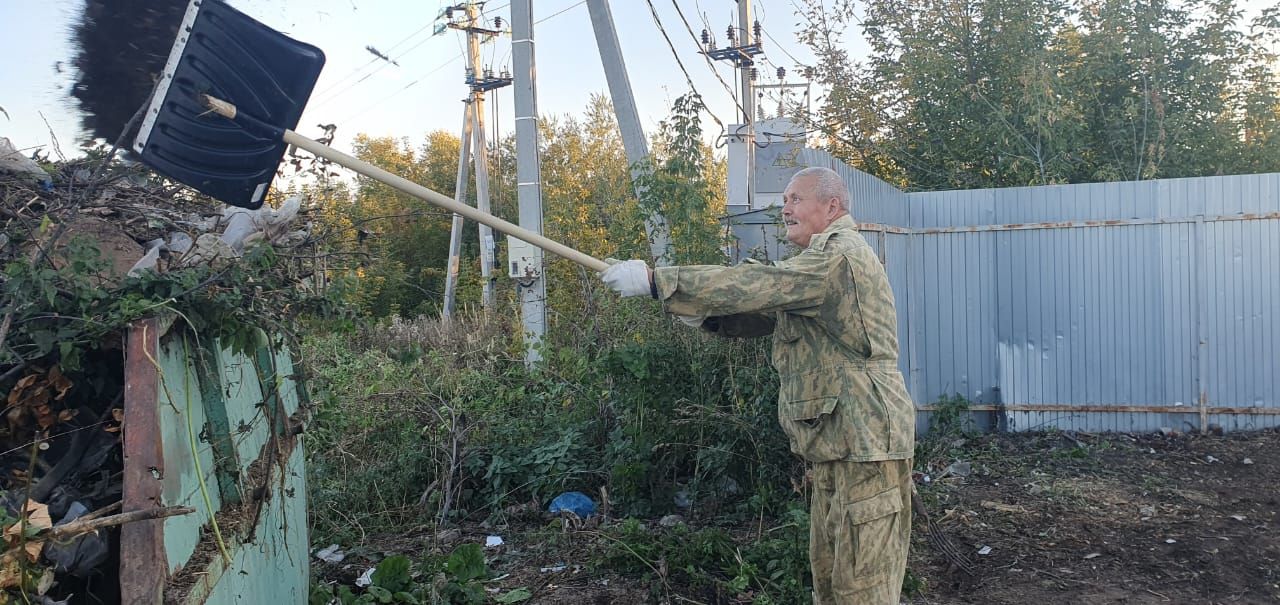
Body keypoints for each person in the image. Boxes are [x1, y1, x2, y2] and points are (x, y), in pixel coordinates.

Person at [600, 166, 915, 604]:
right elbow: (765, 315)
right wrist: (705, 315)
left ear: (832, 206)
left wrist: (661, 281)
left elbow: (763, 285)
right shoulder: (817, 267)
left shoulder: (838, 257)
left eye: (795, 200)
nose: (785, 209)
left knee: (862, 587)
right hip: (842, 444)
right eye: (785, 200)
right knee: (831, 577)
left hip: (867, 443)